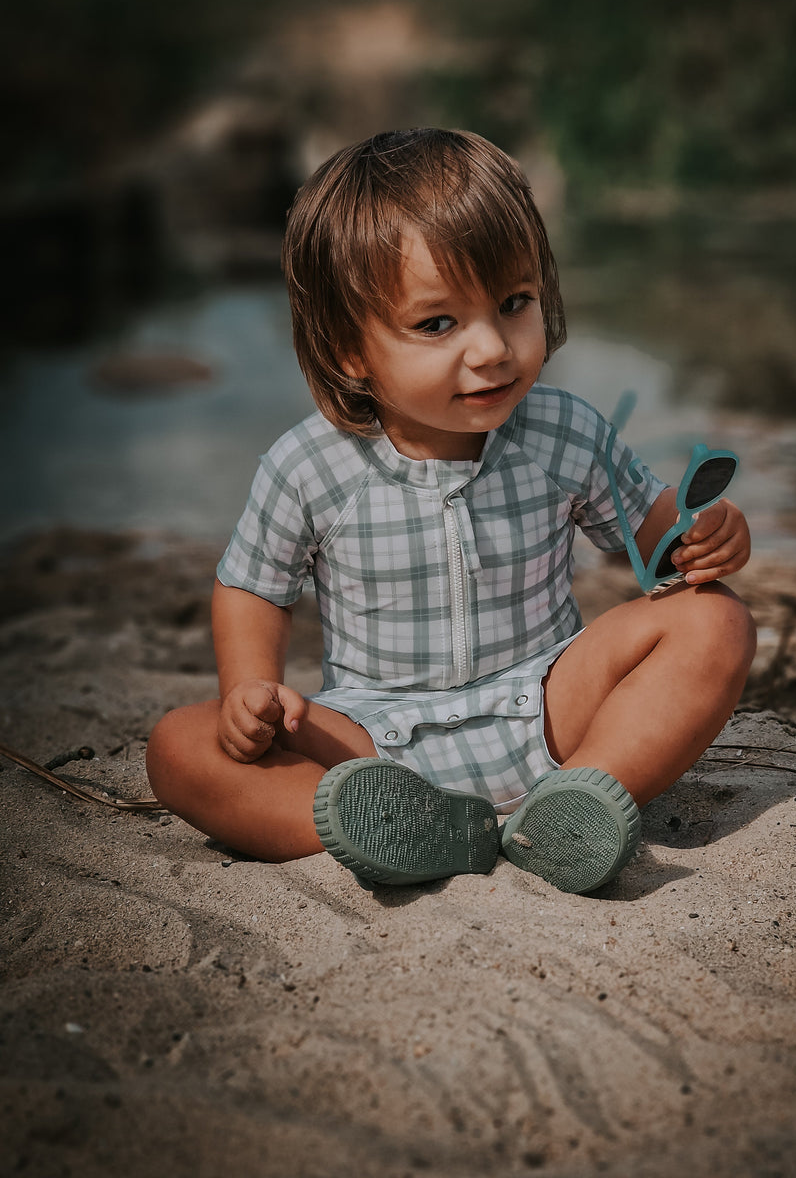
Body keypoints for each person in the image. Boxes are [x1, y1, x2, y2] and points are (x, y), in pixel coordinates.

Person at [146, 128, 755, 895]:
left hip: (550, 708)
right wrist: (248, 690)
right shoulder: (309, 465)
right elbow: (252, 587)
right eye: (438, 324)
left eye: (514, 304)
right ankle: (417, 833)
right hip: (373, 742)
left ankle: (579, 801)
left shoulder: (561, 431)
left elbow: (653, 538)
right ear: (348, 351)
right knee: (178, 746)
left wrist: (702, 538)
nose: (493, 348)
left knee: (716, 621)